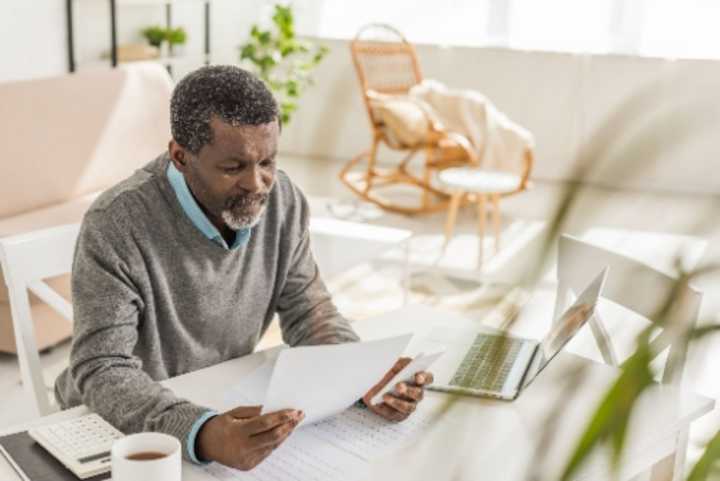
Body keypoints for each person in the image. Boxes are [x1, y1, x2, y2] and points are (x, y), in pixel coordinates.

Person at [54, 65, 433, 471]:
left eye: (267, 161)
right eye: (233, 167)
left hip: (219, 399)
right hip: (115, 427)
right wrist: (200, 430)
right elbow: (102, 367)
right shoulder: (117, 222)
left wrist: (363, 377)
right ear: (180, 156)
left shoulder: (282, 199)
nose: (258, 184)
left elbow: (311, 312)